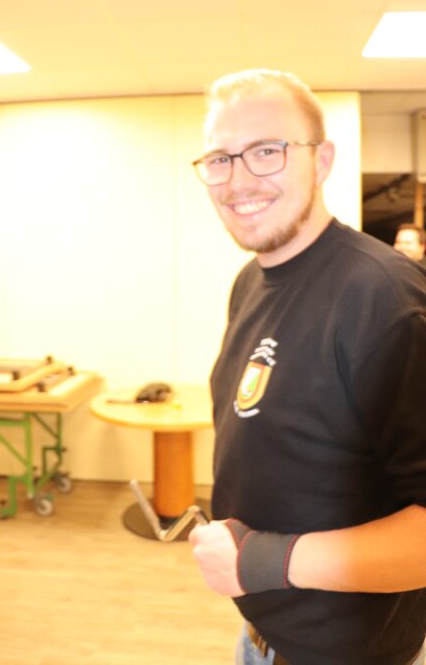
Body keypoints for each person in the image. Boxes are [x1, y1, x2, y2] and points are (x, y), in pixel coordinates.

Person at [188, 68, 426, 665]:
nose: (238, 180)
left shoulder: (384, 299)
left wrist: (260, 560)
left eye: (267, 151)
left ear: (321, 161)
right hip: (262, 638)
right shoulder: (250, 281)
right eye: (220, 159)